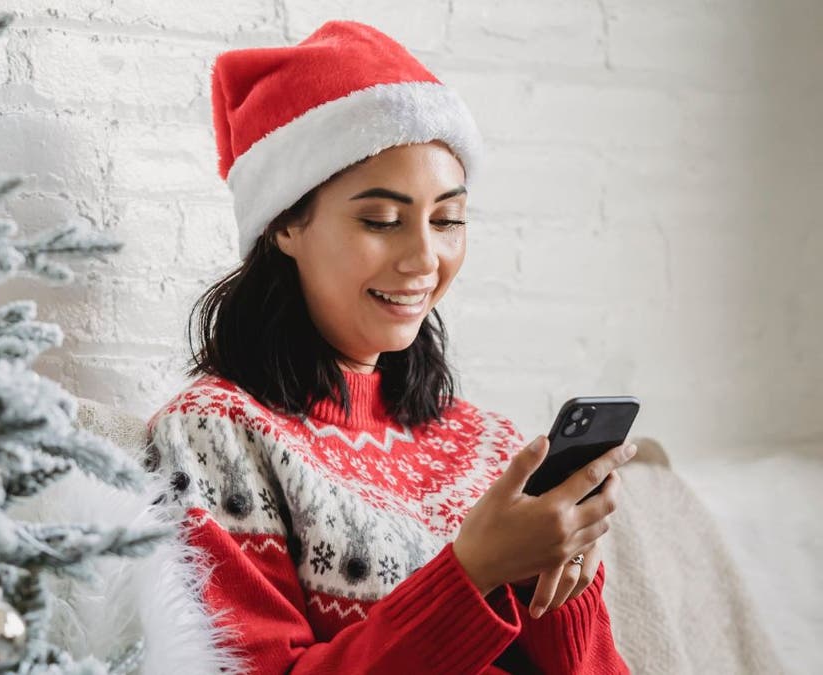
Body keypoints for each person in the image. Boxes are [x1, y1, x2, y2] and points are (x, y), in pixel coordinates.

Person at [145, 20, 634, 674]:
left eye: (448, 220)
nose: (425, 258)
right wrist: (473, 571)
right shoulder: (215, 437)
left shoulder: (490, 447)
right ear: (286, 221)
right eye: (381, 220)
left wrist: (560, 584)